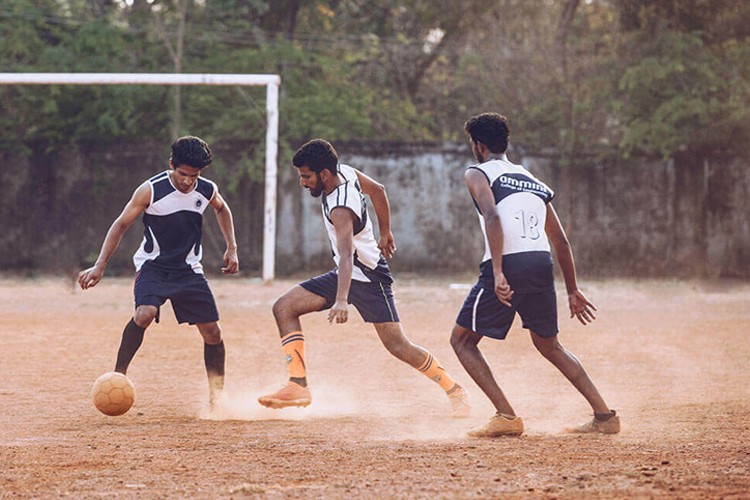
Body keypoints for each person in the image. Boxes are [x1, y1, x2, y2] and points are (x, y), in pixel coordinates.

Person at [258, 139, 471, 418]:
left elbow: (347, 255)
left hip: (369, 278)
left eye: (306, 176)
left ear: (323, 174)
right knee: (284, 307)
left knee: (398, 345)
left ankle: (455, 390)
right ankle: (297, 384)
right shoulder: (345, 171)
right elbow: (378, 190)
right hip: (347, 273)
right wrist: (385, 232)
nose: (302, 182)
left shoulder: (341, 208)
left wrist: (342, 300)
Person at [450, 112, 619, 436]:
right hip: (541, 264)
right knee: (550, 345)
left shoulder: (477, 172)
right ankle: (604, 416)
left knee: (462, 341)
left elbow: (492, 216)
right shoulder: (532, 180)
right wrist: (572, 289)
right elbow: (560, 240)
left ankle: (506, 416)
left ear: (479, 145)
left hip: (508, 265)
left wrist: (498, 271)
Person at [78, 135, 239, 410]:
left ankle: (217, 398)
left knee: (212, 332)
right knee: (145, 313)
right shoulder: (150, 190)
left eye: (194, 175)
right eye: (183, 173)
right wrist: (100, 265)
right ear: (171, 165)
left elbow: (222, 209)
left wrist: (231, 247)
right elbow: (119, 225)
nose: (188, 181)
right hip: (154, 267)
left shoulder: (206, 189)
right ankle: (118, 376)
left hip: (189, 270)